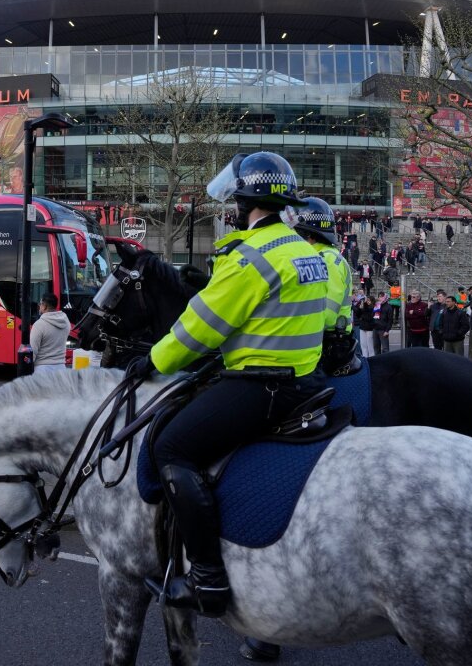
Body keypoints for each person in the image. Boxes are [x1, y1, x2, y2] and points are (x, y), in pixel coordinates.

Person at [129, 152, 328, 617]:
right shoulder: (302, 248)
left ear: (250, 200)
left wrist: (152, 360)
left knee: (171, 449)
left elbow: (200, 329)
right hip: (304, 377)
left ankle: (207, 580)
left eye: (237, 199)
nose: (232, 207)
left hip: (263, 386)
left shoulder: (250, 257)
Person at [285, 197, 358, 375]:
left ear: (308, 235)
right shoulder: (324, 256)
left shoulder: (326, 260)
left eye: (294, 232)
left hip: (329, 345)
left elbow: (325, 316)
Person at [30, 293, 70, 373]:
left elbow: (33, 351)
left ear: (45, 306)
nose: (39, 306)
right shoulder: (65, 321)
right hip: (61, 368)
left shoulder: (39, 325)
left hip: (42, 370)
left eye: (40, 304)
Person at [354, 292, 376, 358]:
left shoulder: (373, 308)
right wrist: (360, 308)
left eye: (369, 300)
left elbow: (369, 317)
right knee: (363, 345)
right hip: (362, 327)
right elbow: (358, 314)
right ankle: (365, 357)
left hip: (369, 328)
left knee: (370, 346)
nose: (367, 301)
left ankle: (371, 358)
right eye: (367, 300)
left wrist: (365, 306)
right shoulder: (364, 307)